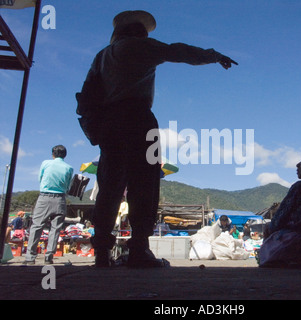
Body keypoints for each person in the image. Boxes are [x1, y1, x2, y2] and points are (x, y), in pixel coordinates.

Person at [80, 10, 238, 268]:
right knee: (145, 183)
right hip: (138, 119)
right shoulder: (139, 46)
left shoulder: (101, 56)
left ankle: (101, 252)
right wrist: (214, 55)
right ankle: (140, 249)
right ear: (136, 31)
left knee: (109, 187)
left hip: (108, 124)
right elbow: (179, 51)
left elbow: (88, 93)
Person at [23, 145, 73, 265]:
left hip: (44, 197)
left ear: (53, 154)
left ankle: (30, 257)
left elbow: (41, 178)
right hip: (60, 199)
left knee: (37, 226)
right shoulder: (69, 168)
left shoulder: (45, 163)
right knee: (55, 229)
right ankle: (48, 256)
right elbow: (67, 186)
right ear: (65, 155)